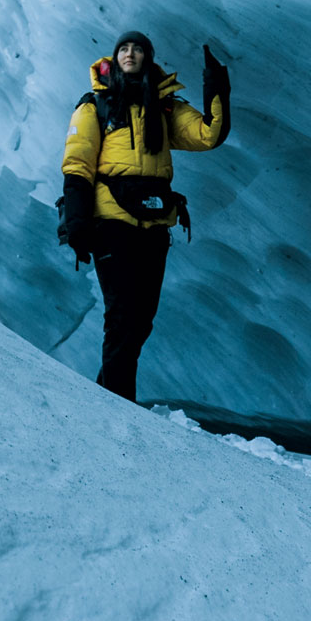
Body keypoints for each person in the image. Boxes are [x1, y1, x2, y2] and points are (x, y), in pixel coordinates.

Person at [59, 30, 230, 400]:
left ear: (148, 57)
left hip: (154, 227)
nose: (130, 53)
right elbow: (77, 164)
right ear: (114, 56)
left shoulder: (165, 107)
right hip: (111, 223)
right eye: (124, 48)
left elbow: (208, 134)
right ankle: (119, 407)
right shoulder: (96, 105)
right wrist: (77, 222)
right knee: (121, 318)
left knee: (140, 321)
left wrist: (215, 83)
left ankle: (104, 397)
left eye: (138, 48)